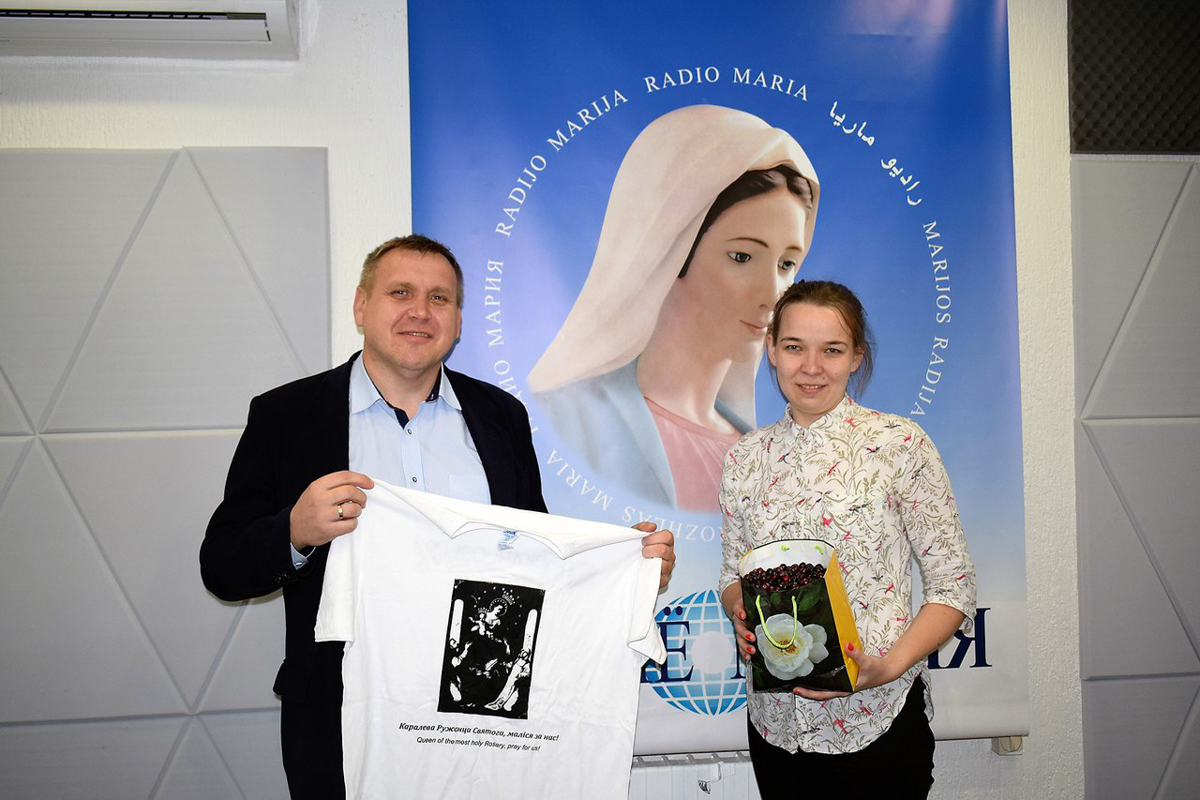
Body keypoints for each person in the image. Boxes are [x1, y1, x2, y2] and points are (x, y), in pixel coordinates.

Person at [199, 234, 675, 800]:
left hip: (483, 719)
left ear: (458, 320)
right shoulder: (286, 416)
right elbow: (222, 566)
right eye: (400, 292)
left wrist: (623, 571)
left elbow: (536, 560)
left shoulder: (501, 416)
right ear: (361, 305)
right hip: (338, 711)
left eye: (439, 298)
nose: (420, 312)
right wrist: (294, 533)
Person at [718, 280, 976, 799]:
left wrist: (888, 668)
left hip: (876, 722)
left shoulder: (900, 446)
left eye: (832, 350)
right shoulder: (745, 457)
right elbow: (731, 575)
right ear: (772, 350)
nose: (811, 367)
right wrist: (740, 610)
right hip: (775, 728)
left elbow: (954, 586)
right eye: (795, 347)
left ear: (856, 356)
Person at [528, 104, 819, 513]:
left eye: (786, 264)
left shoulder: (762, 458)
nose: (773, 295)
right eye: (742, 257)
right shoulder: (564, 421)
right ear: (669, 249)